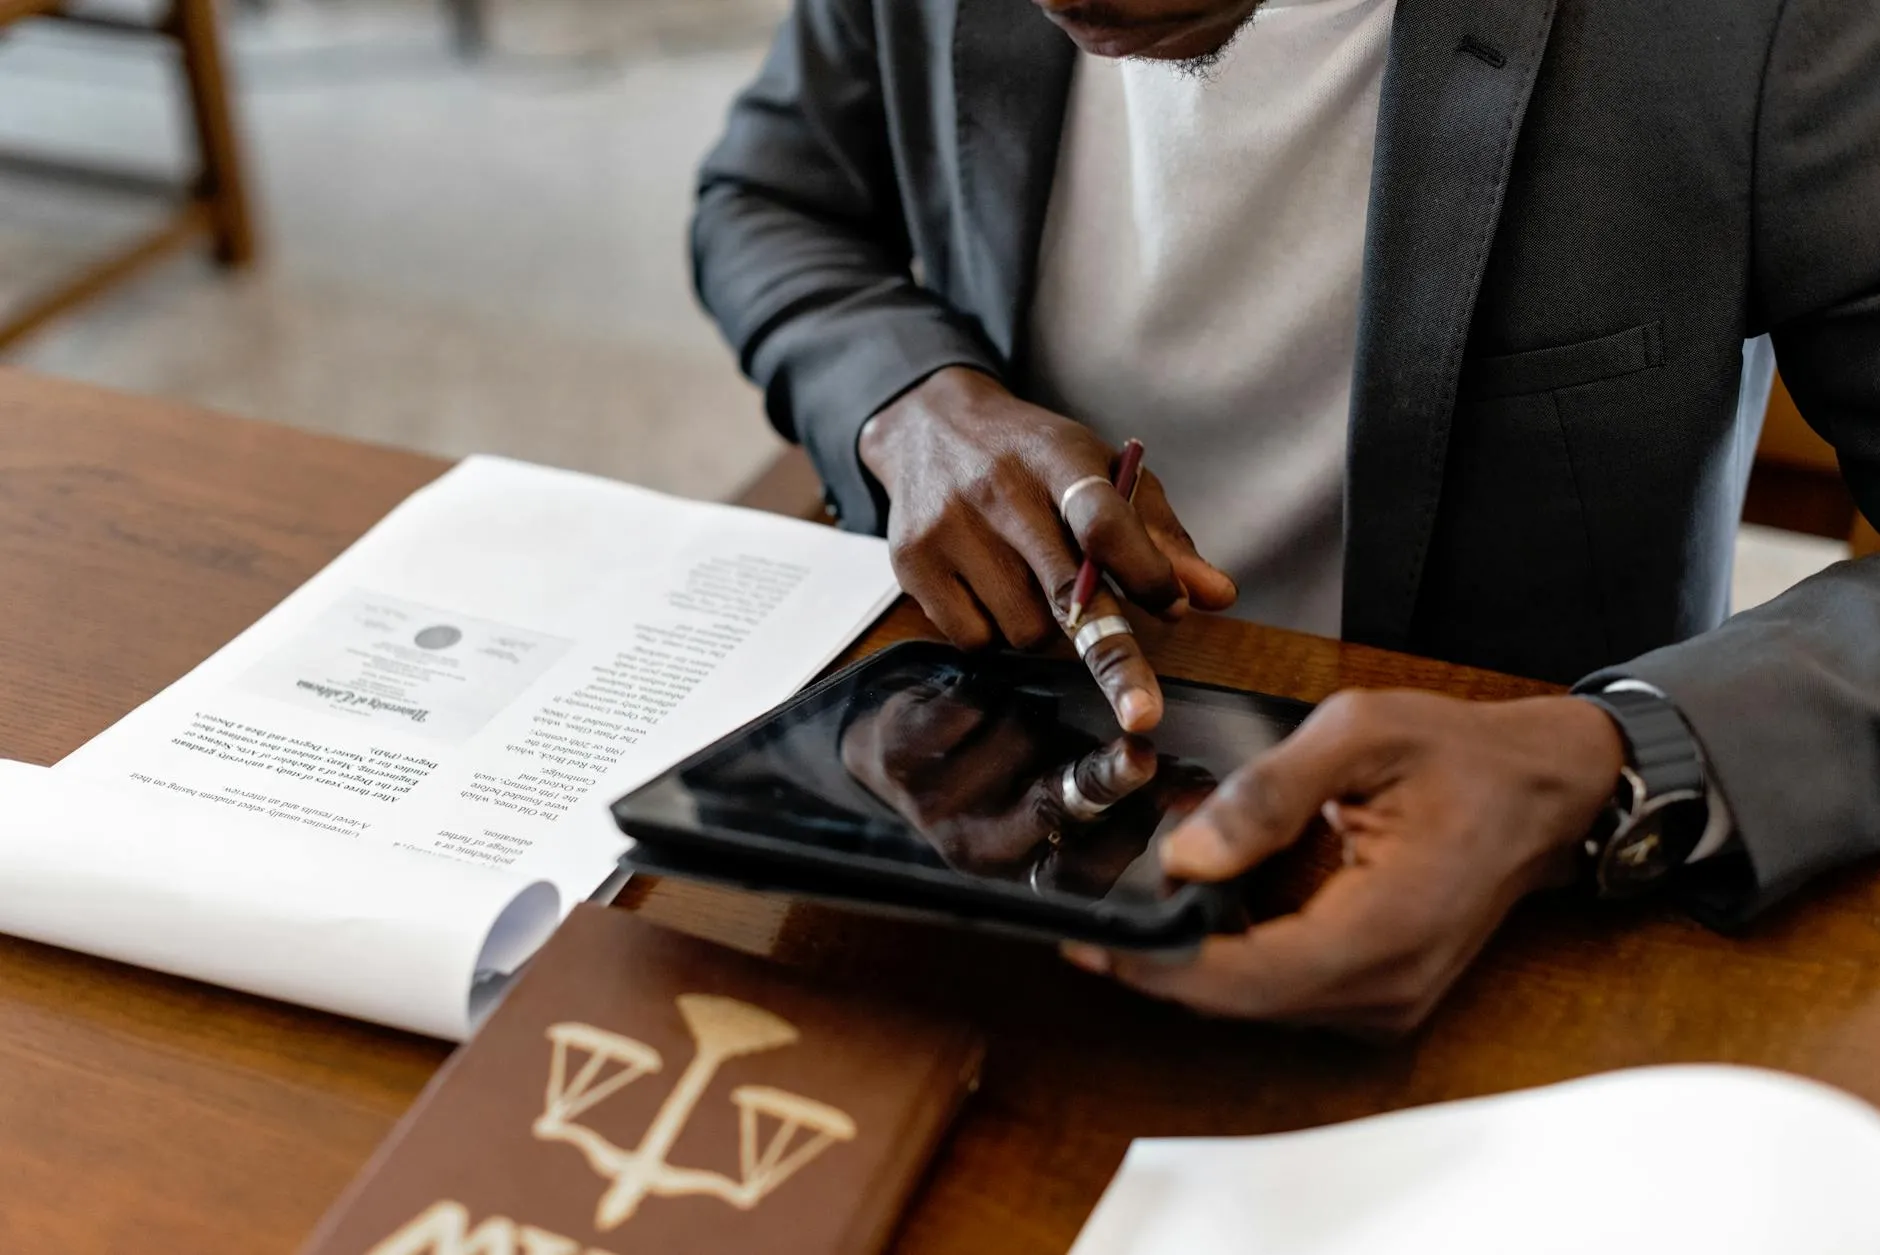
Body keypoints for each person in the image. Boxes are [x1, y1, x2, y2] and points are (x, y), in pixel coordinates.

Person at [689, 0, 1880, 1033]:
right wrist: (908, 403)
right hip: (974, 817)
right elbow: (767, 195)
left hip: (1509, 909)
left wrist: (1613, 760)